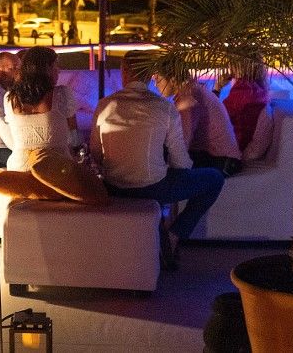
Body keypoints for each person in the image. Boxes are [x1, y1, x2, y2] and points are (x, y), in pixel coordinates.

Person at [92, 51, 224, 268]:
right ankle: (175, 234)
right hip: (153, 188)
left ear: (124, 72)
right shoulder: (164, 107)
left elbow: (96, 155)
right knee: (214, 179)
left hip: (113, 187)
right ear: (148, 75)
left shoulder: (105, 105)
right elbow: (180, 161)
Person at [5, 46, 80, 171]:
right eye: (56, 66)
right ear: (46, 69)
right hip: (56, 167)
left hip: (20, 167)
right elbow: (74, 135)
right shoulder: (62, 94)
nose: (59, 71)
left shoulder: (10, 98)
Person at [154, 74, 242, 175]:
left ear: (173, 79)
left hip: (222, 162)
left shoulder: (189, 96)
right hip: (222, 159)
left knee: (162, 163)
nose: (156, 84)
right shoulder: (194, 90)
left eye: (158, 79)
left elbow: (182, 142)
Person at [217, 57, 272, 160]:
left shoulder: (242, 93)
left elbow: (214, 121)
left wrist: (217, 89)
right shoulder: (258, 91)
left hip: (230, 155)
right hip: (238, 150)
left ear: (236, 67)